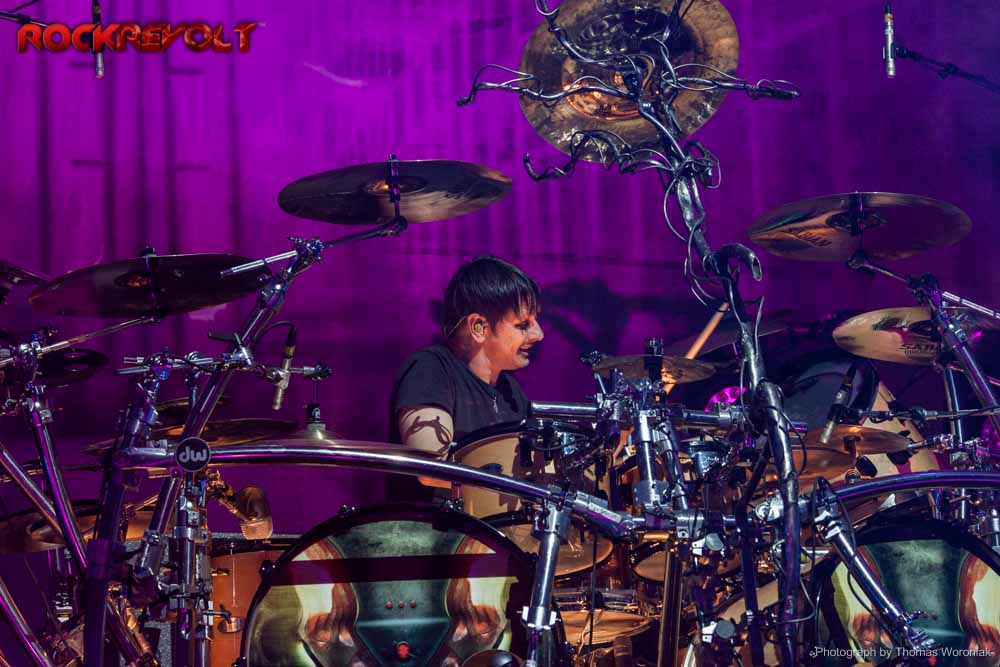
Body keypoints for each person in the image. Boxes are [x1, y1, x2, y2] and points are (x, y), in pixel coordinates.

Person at [389, 256, 544, 455]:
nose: (539, 334)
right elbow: (432, 465)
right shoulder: (429, 369)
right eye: (522, 325)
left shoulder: (510, 390)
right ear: (478, 327)